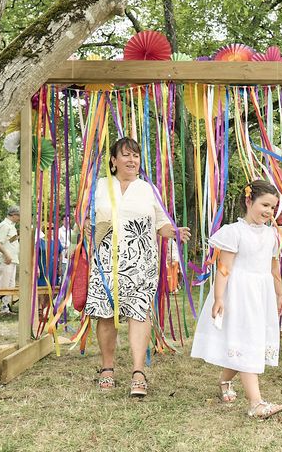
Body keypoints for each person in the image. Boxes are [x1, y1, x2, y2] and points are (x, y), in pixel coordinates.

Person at [84, 137, 191, 397]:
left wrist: (174, 232)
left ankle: (138, 371)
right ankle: (107, 368)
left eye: (136, 156)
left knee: (139, 313)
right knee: (105, 314)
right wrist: (86, 224)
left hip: (141, 262)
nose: (132, 161)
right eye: (126, 155)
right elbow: (86, 219)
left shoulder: (147, 188)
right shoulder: (98, 186)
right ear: (113, 160)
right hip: (105, 260)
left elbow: (161, 224)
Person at [191, 180, 282, 419]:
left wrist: (279, 294)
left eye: (273, 208)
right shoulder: (234, 232)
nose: (268, 211)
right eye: (264, 204)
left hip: (261, 295)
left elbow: (274, 268)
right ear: (248, 201)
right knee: (246, 341)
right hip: (240, 294)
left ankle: (225, 381)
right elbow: (224, 267)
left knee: (247, 344)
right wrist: (219, 297)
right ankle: (256, 403)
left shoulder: (273, 235)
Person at [0, 205, 20, 314]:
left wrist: (17, 236)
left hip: (12, 259)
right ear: (13, 215)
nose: (20, 218)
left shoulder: (12, 226)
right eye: (19, 216)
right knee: (3, 284)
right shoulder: (4, 225)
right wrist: (7, 255)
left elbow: (8, 241)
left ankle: (6, 307)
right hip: (6, 259)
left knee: (10, 284)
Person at [58, 214, 72, 281]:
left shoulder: (72, 232)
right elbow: (57, 243)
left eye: (68, 220)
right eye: (65, 220)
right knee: (63, 278)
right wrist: (64, 246)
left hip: (71, 258)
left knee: (70, 278)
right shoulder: (59, 231)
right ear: (62, 221)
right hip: (63, 258)